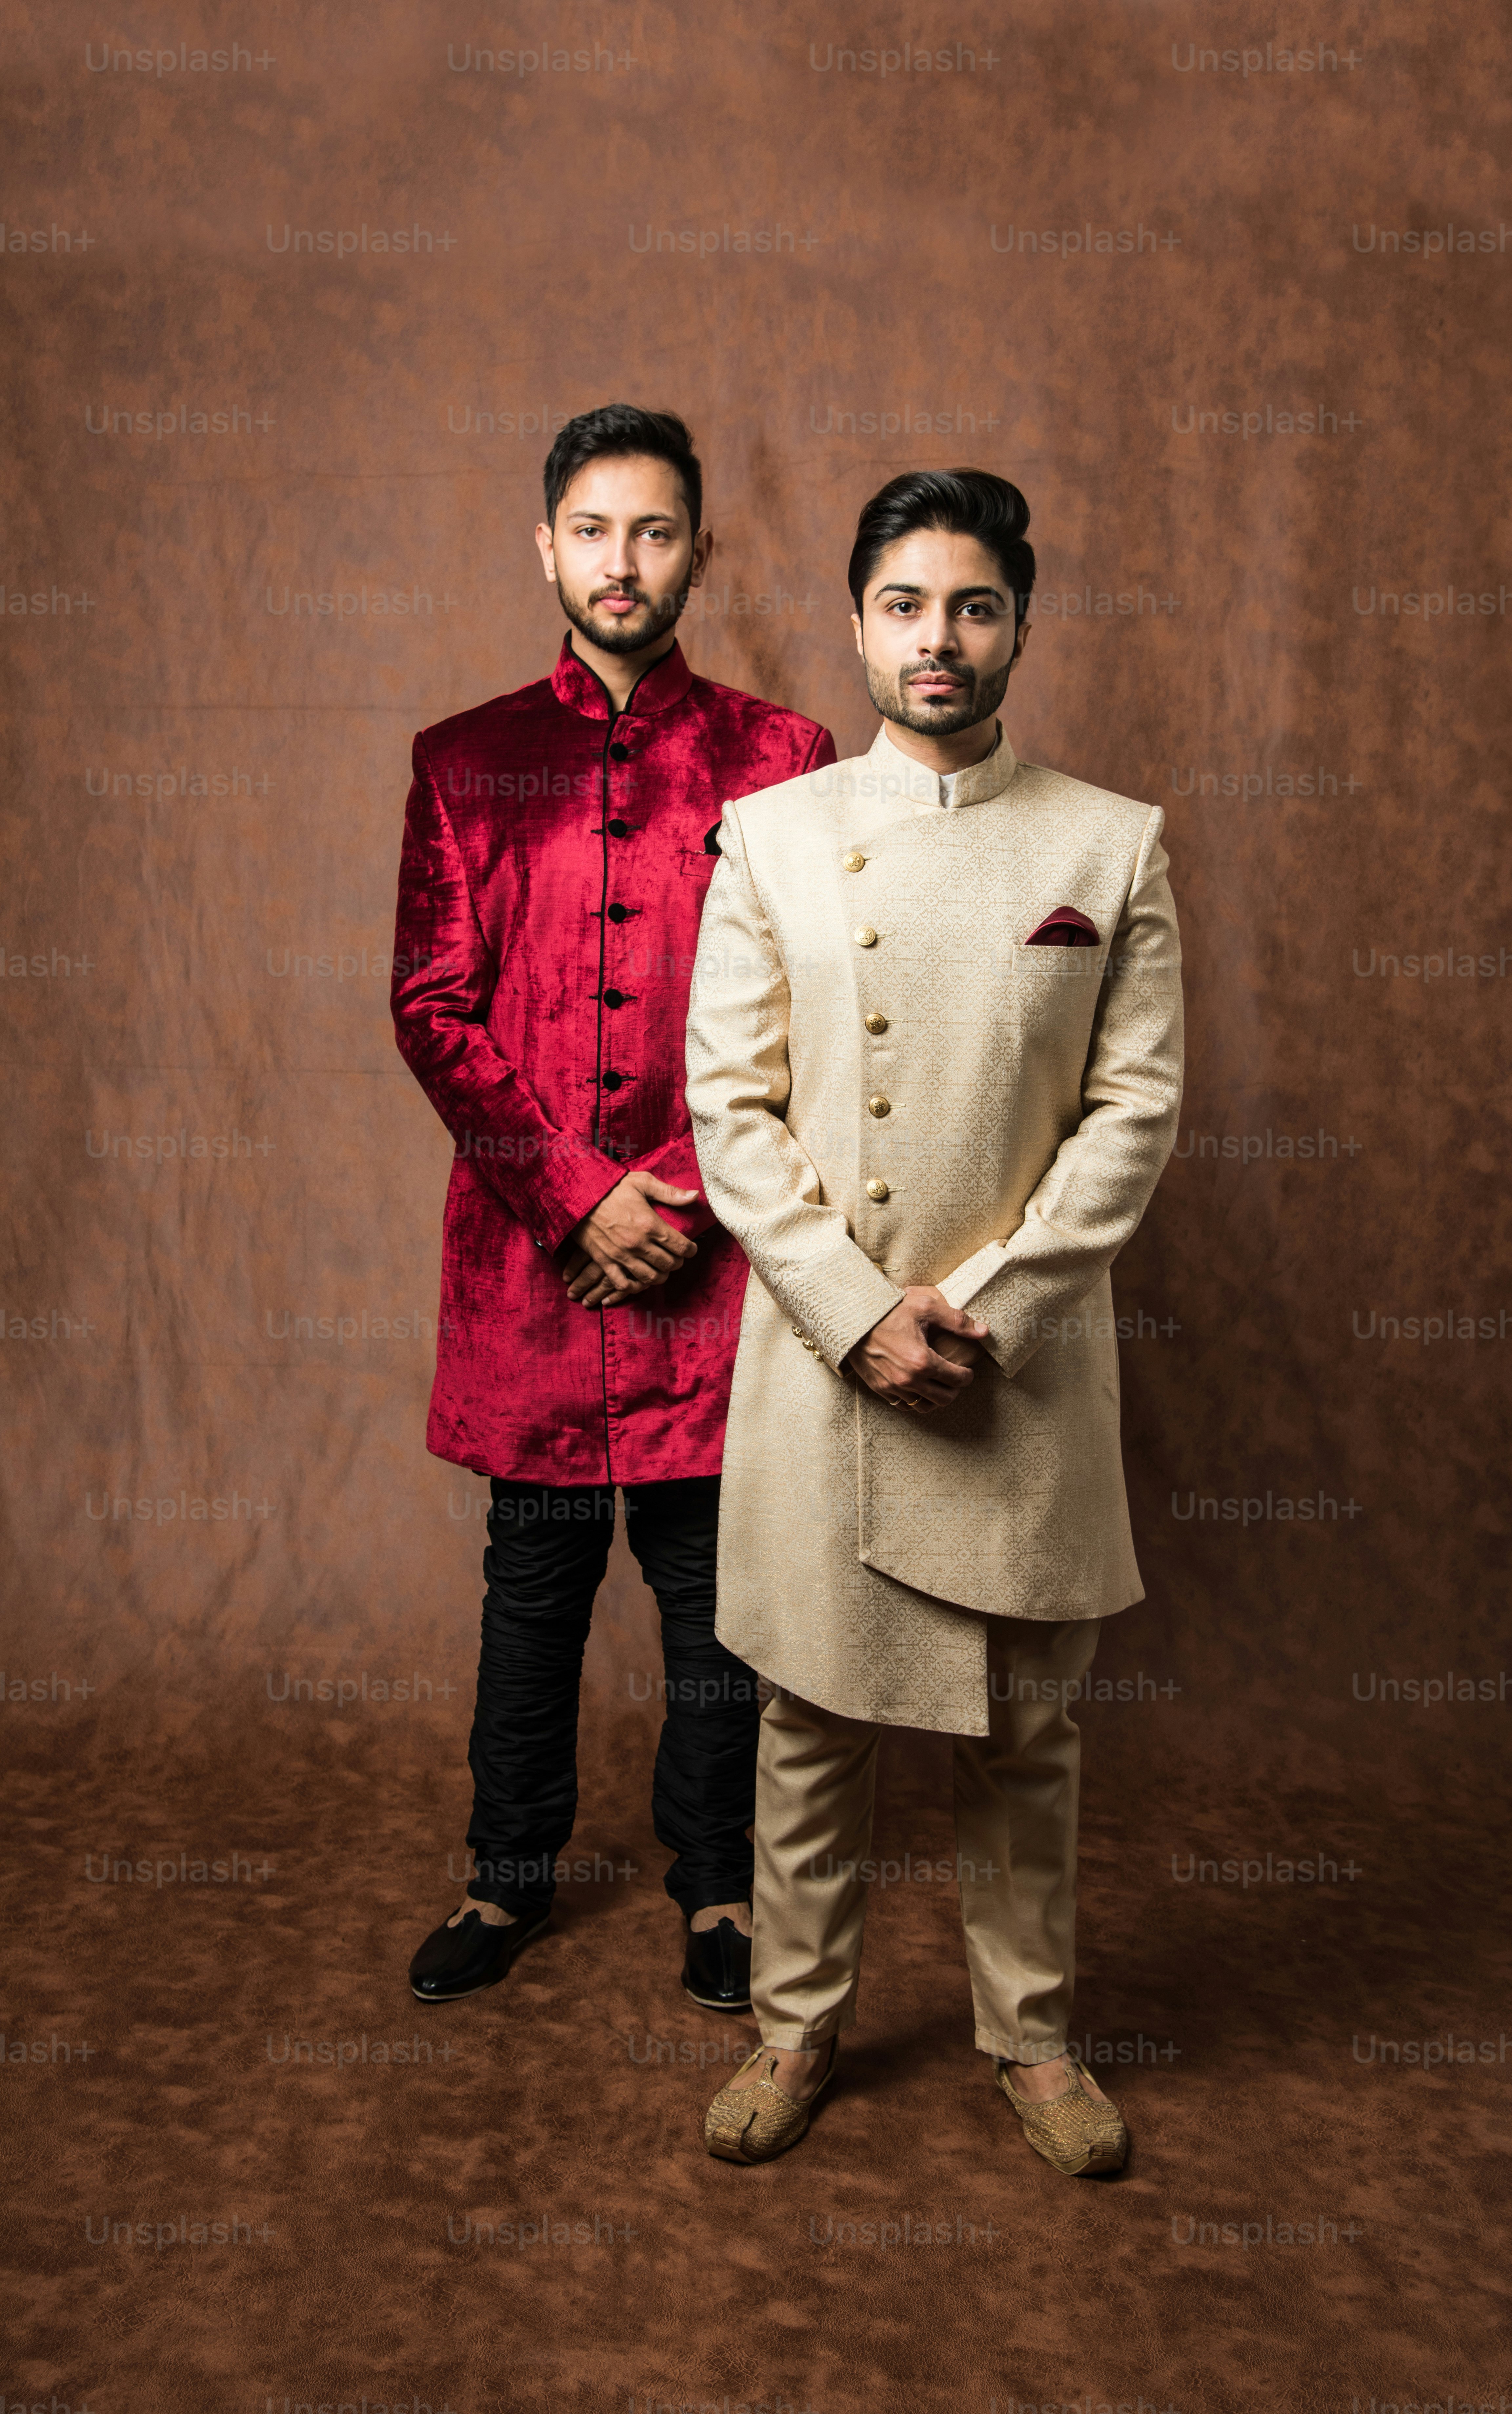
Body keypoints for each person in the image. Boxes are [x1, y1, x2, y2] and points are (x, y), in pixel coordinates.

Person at [684, 468, 1184, 2167]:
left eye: (974, 606)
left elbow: (1136, 1114)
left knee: (1028, 1734)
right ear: (859, 624)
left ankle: (1034, 2044)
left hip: (1014, 1373)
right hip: (831, 1369)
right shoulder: (770, 837)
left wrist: (975, 1309)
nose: (940, 640)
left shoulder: (1109, 844)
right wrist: (854, 1314)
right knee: (808, 1732)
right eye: (907, 606)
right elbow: (729, 1113)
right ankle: (792, 2032)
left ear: (1022, 625)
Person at [391, 404, 835, 2013]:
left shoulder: (784, 760)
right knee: (534, 1583)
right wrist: (579, 1202)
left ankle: (718, 1886)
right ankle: (505, 1878)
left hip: (718, 1274)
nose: (624, 561)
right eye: (594, 529)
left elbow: (815, 1021)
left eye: (656, 531)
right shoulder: (461, 759)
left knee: (718, 1601)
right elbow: (432, 1006)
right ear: (547, 545)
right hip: (529, 1264)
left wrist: (692, 1209)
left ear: (699, 551)